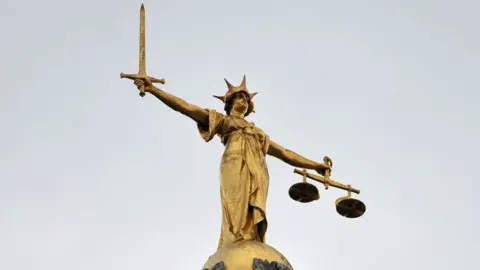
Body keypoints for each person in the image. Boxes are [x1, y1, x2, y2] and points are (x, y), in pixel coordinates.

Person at [134, 75, 331, 250]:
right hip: (235, 163)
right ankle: (235, 239)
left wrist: (316, 166)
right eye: (239, 97)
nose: (244, 100)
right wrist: (153, 90)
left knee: (252, 209)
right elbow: (187, 108)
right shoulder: (224, 121)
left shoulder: (258, 133)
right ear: (229, 104)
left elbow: (286, 154)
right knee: (236, 203)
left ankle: (251, 240)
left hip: (259, 171)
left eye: (246, 98)